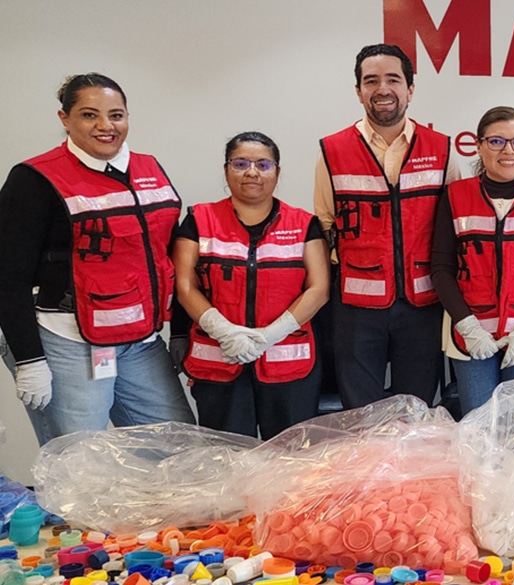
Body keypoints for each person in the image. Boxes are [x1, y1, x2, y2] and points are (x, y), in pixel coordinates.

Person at [0, 73, 195, 443]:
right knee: (77, 463)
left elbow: (171, 258)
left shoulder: (150, 170)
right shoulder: (35, 179)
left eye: (116, 115)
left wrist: (182, 329)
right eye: (90, 115)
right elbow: (9, 275)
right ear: (65, 119)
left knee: (178, 446)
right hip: (68, 341)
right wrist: (29, 360)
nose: (106, 126)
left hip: (139, 342)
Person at [314, 44, 460, 410]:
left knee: (417, 410)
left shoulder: (441, 149)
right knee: (360, 413)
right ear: (358, 90)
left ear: (410, 89)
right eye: (371, 80)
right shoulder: (332, 151)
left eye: (393, 79)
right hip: (356, 309)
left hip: (423, 304)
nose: (382, 89)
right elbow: (325, 226)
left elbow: (454, 226)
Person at [173, 132, 330, 439]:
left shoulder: (303, 223)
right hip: (220, 361)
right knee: (225, 460)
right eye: (240, 163)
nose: (252, 172)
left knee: (290, 462)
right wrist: (223, 330)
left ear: (277, 171)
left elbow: (319, 289)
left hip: (289, 365)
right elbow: (185, 285)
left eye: (263, 164)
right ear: (226, 169)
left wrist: (269, 336)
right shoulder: (199, 219)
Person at [430, 106, 514, 415]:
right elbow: (441, 268)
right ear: (478, 145)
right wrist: (468, 327)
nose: (508, 150)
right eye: (496, 141)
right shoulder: (454, 196)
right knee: (478, 435)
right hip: (471, 336)